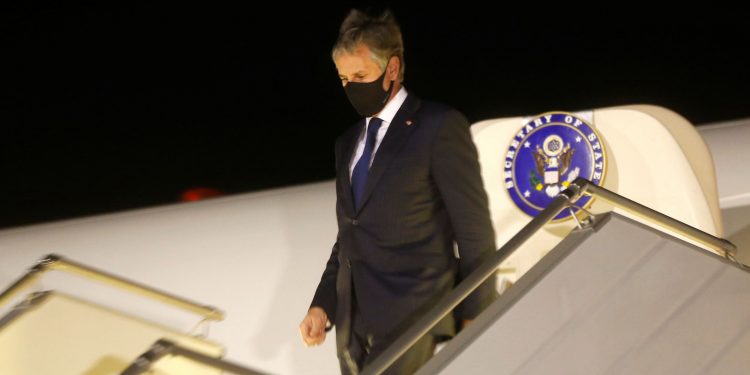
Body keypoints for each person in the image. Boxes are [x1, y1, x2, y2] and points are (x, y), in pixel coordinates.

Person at [299, 8, 497, 374]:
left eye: (360, 75)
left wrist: (477, 314)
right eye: (343, 79)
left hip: (416, 317)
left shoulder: (437, 127)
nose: (350, 87)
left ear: (391, 69)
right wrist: (323, 305)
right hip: (354, 325)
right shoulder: (347, 144)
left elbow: (474, 231)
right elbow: (349, 235)